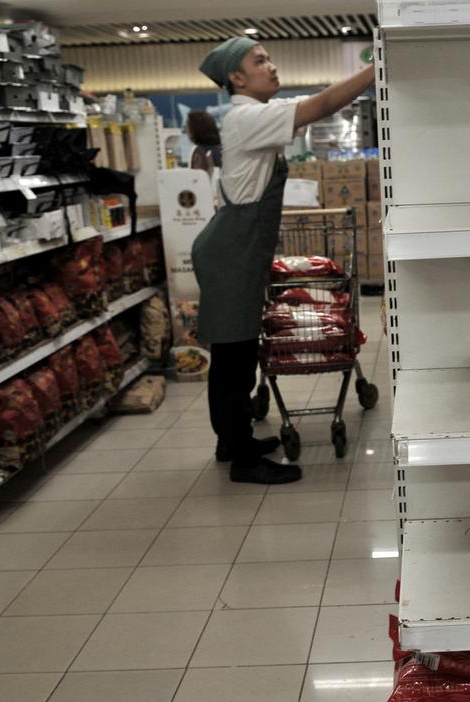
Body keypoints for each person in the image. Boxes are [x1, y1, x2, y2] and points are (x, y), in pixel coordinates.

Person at [192, 37, 375, 485]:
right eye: (260, 61)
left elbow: (314, 102)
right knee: (233, 358)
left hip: (237, 249)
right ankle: (241, 461)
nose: (271, 66)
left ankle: (233, 442)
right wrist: (379, 66)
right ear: (236, 77)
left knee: (237, 353)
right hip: (231, 253)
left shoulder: (253, 114)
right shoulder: (248, 117)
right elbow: (323, 104)